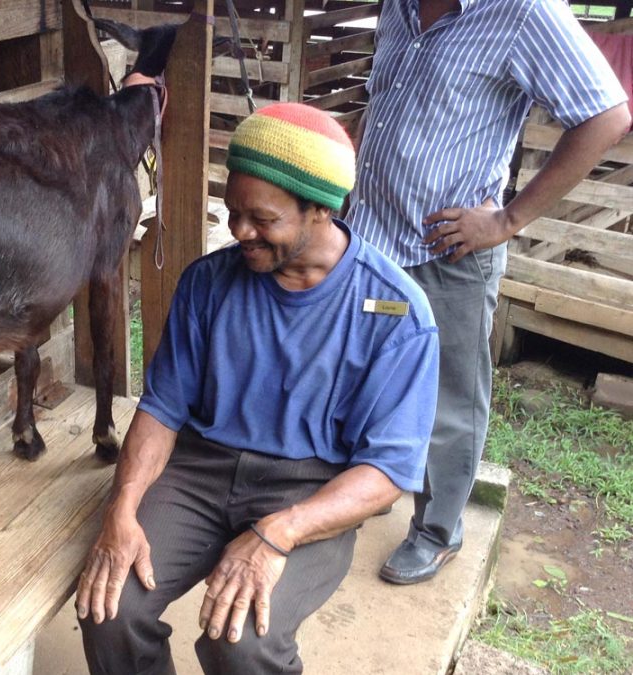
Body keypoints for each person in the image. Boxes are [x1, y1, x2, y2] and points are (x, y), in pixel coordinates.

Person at [75, 103, 440, 675]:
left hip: (311, 488)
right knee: (110, 603)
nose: (239, 231)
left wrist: (278, 533)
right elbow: (164, 408)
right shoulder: (208, 282)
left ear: (321, 209)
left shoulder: (397, 314)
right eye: (233, 211)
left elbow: (388, 472)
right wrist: (121, 509)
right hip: (200, 470)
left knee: (242, 642)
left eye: (262, 219)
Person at [346, 0, 631, 585]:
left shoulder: (524, 12)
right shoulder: (396, 7)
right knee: (367, 373)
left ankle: (438, 531)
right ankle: (369, 489)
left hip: (449, 254)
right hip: (374, 241)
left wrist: (506, 221)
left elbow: (607, 116)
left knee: (449, 401)